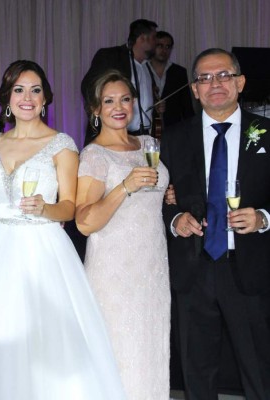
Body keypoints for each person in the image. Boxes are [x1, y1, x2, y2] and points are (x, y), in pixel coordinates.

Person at [0, 60, 126, 400]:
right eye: (19, 90)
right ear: (7, 97)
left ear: (45, 98)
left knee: (45, 343)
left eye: (35, 90)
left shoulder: (61, 143)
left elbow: (69, 207)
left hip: (42, 247)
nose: (27, 97)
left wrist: (45, 208)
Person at [161, 48, 270, 399]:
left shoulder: (266, 132)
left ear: (240, 82)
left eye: (223, 75)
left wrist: (264, 218)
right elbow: (160, 198)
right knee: (197, 373)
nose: (214, 84)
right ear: (194, 89)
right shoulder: (175, 138)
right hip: (194, 269)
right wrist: (175, 219)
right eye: (204, 78)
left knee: (259, 371)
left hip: (250, 268)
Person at [76, 70, 170, 399]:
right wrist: (125, 187)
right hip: (113, 273)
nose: (119, 107)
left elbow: (154, 195)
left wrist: (168, 194)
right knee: (117, 351)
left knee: (149, 347)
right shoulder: (94, 155)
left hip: (152, 268)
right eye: (109, 101)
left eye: (126, 99)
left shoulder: (147, 144)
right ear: (95, 110)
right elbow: (85, 221)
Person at [81, 19, 157, 138]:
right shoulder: (110, 56)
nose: (156, 43)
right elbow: (88, 87)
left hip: (143, 136)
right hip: (112, 137)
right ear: (143, 38)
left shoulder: (147, 66)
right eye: (154, 38)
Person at [146, 31, 194, 128]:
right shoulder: (142, 68)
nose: (164, 50)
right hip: (147, 127)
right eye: (160, 46)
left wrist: (192, 128)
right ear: (152, 46)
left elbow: (186, 105)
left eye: (167, 47)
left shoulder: (179, 72)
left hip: (173, 127)